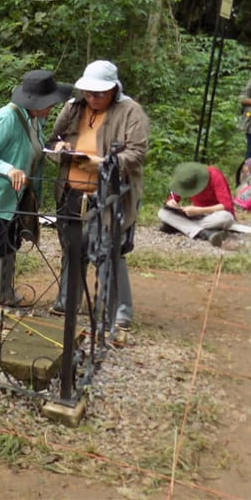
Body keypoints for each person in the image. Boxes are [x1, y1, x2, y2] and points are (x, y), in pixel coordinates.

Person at [48, 60, 149, 338]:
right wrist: (60, 147)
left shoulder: (131, 111)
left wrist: (103, 163)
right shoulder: (73, 107)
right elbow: (53, 139)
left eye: (99, 94)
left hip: (108, 194)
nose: (92, 98)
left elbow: (137, 154)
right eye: (88, 93)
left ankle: (118, 312)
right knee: (72, 246)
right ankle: (68, 301)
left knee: (108, 248)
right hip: (70, 189)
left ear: (114, 89)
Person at [0, 70, 72, 307]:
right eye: (49, 103)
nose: (52, 107)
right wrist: (7, 169)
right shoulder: (6, 118)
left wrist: (57, 147)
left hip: (17, 194)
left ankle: (4, 293)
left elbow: (34, 147)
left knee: (11, 241)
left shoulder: (34, 119)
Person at [158, 162, 235, 247]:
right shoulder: (183, 178)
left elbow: (226, 205)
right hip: (195, 216)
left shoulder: (214, 175)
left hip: (212, 215)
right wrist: (171, 202)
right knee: (162, 213)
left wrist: (199, 210)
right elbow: (173, 198)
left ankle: (180, 226)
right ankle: (203, 233)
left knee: (227, 218)